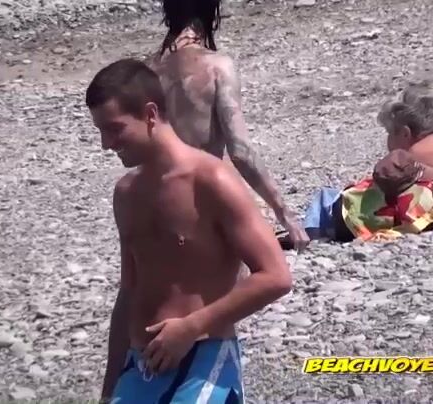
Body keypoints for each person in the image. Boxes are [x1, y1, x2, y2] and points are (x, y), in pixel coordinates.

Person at [86, 59, 293, 403]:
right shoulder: (126, 194)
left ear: (150, 114)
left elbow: (276, 276)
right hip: (139, 366)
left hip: (204, 358)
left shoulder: (212, 181)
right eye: (100, 131)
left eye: (114, 129)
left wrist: (192, 326)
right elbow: (128, 292)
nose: (106, 144)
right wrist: (109, 390)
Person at [143, 0, 310, 251]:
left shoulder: (146, 72)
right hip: (204, 201)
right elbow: (240, 152)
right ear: (211, 11)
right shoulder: (216, 67)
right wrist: (285, 214)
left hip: (158, 206)